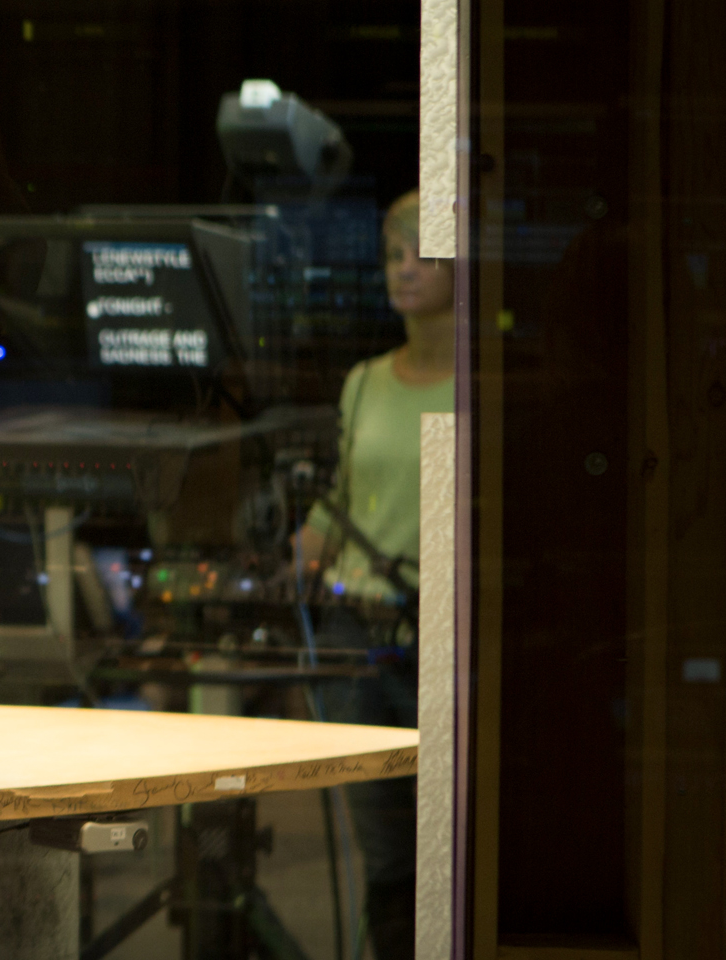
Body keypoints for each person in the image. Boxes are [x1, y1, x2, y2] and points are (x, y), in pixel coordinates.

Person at [291, 191, 449, 960]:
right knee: (385, 861)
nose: (402, 269)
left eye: (419, 250)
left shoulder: (482, 385)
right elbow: (340, 501)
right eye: (392, 253)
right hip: (361, 639)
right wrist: (296, 554)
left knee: (450, 851)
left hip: (443, 640)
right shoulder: (363, 382)